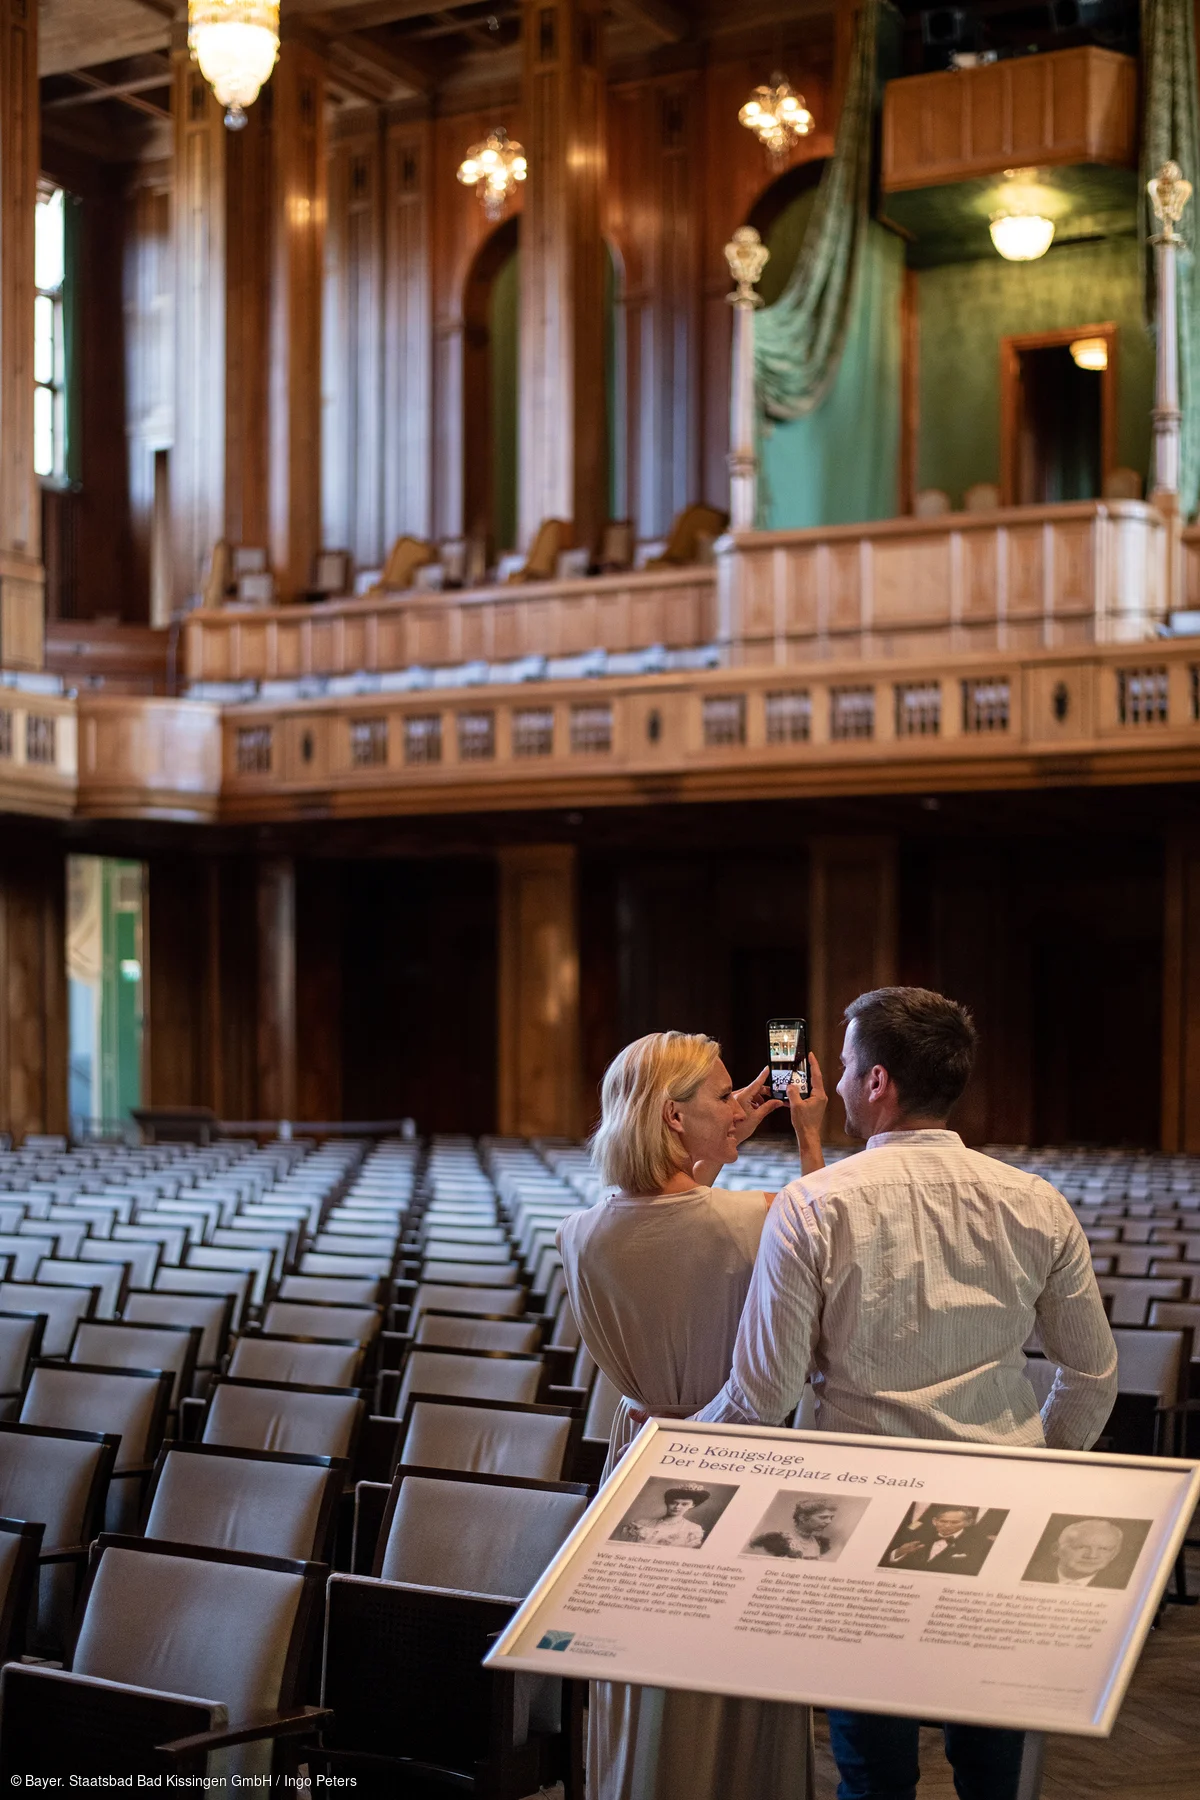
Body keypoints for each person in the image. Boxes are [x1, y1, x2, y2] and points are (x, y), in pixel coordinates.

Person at [697, 985, 1118, 1800]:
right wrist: (1033, 1461)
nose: (841, 1084)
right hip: (1000, 1510)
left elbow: (765, 1395)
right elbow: (1094, 1376)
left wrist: (670, 1446)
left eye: (850, 1067)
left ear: (879, 1081)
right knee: (994, 1766)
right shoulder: (1036, 1201)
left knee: (873, 1770)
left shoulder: (813, 1205)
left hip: (860, 1518)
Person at [557, 1028, 827, 1800]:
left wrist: (721, 1132)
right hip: (735, 1465)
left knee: (646, 1672)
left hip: (638, 1461)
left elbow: (671, 1216)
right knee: (730, 1683)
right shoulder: (760, 1218)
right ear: (675, 1119)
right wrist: (808, 1134)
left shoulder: (579, 1234)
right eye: (722, 1095)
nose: (738, 1103)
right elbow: (823, 1253)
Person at [884, 1506, 994, 1576]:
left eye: (954, 1522)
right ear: (935, 1521)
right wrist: (900, 1552)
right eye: (943, 1521)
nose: (947, 1526)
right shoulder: (918, 1537)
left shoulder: (981, 1544)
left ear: (968, 1523)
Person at [1024, 1518, 1127, 1588]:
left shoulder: (1118, 1585)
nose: (1092, 1556)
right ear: (1056, 1549)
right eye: (1080, 1547)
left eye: (1104, 1549)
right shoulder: (1029, 1577)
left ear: (1115, 1553)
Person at [620, 1483, 711, 1547]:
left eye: (684, 1504)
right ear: (667, 1502)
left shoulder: (693, 1529)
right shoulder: (641, 1523)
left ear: (692, 1505)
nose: (677, 1507)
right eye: (673, 1502)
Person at [751, 1497, 839, 1560]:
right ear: (802, 1518)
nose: (829, 1522)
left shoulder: (821, 1544)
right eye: (823, 1517)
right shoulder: (779, 1542)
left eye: (831, 1518)